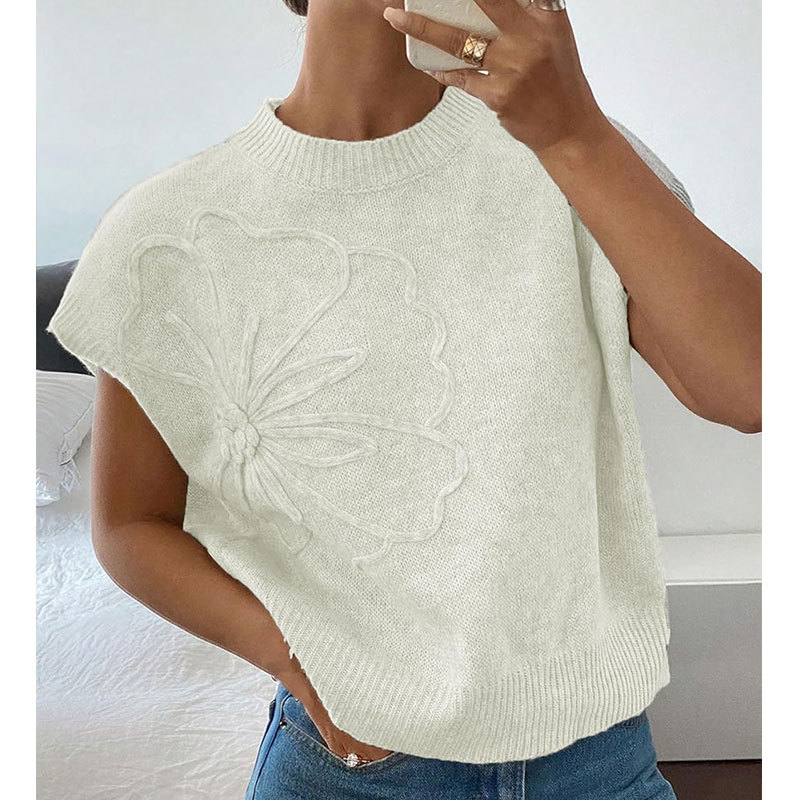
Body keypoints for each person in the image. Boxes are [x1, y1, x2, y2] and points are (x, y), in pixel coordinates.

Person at [46, 1, 761, 798]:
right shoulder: (165, 229)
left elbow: (754, 388)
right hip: (348, 765)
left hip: (594, 757)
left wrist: (576, 136)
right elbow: (130, 522)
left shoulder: (575, 155)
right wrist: (297, 661)